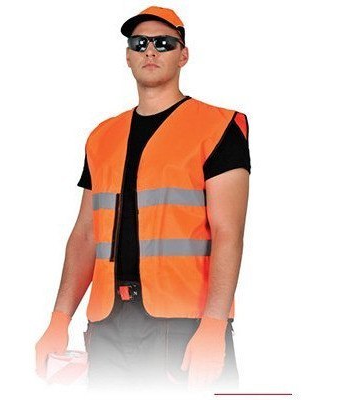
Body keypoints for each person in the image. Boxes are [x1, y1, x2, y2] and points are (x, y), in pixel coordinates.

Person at [35, 5, 251, 397]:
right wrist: (59, 318)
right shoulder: (102, 136)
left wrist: (214, 324)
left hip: (184, 324)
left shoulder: (218, 127)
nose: (150, 50)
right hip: (108, 324)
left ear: (183, 55)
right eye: (140, 43)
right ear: (128, 56)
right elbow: (85, 235)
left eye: (164, 43)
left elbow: (228, 232)